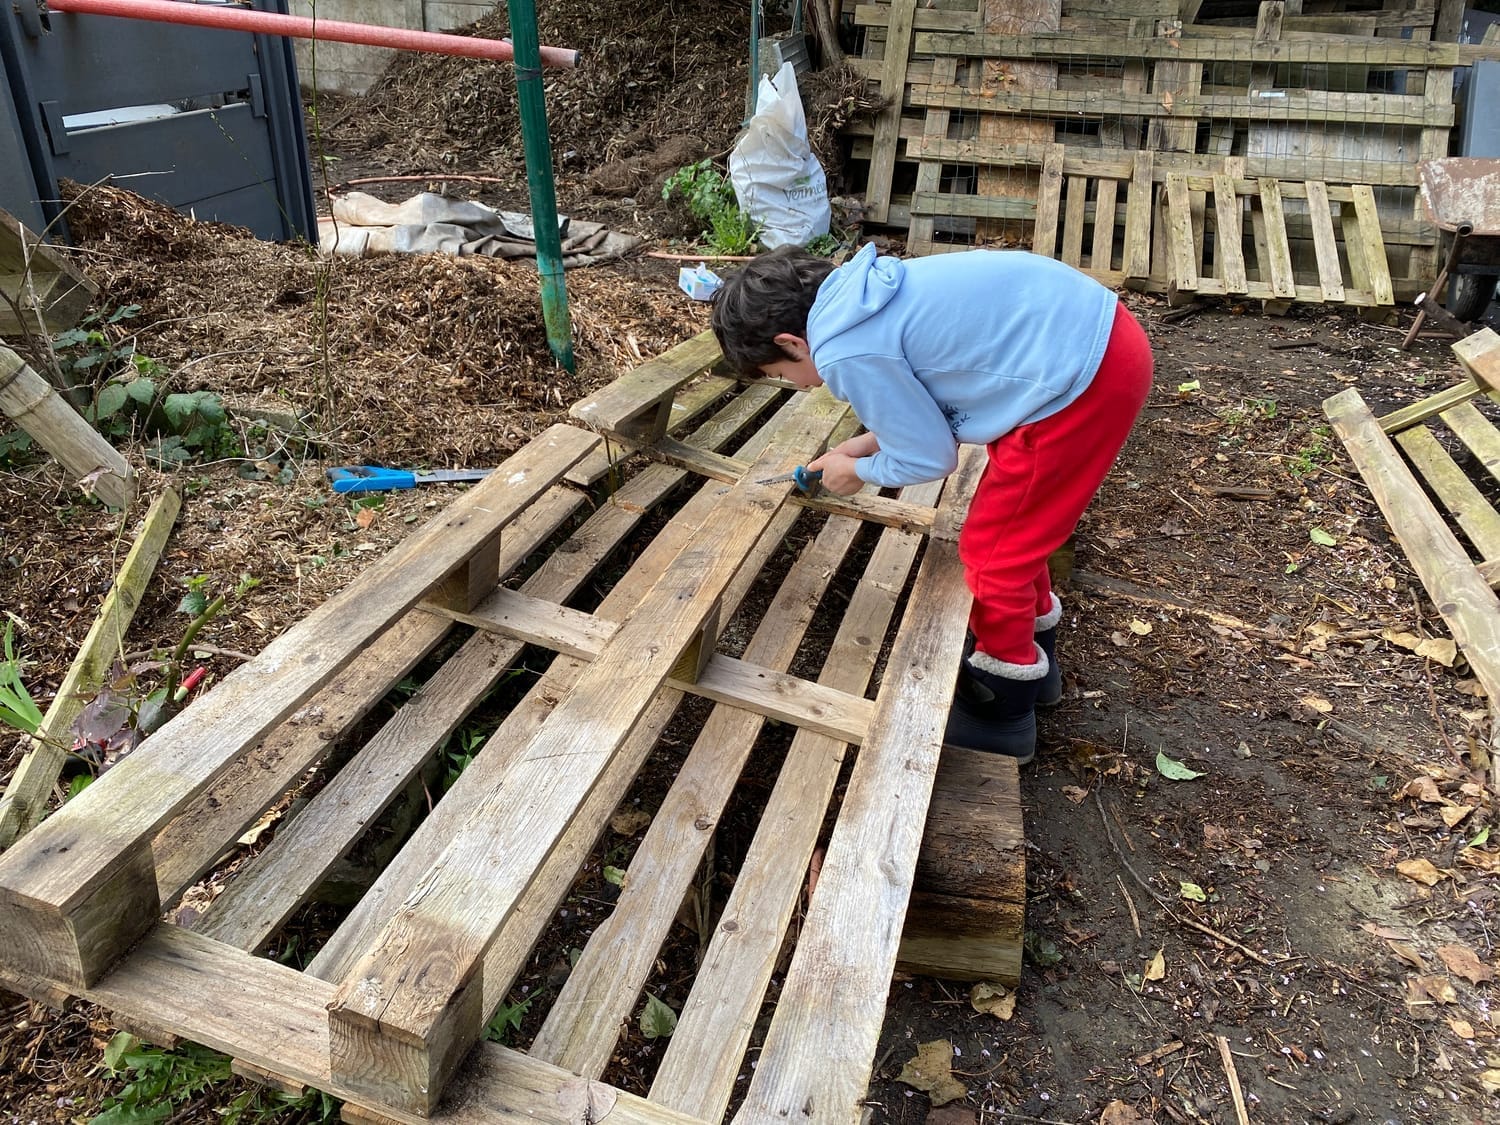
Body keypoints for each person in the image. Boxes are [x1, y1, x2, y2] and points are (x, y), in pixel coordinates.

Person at [710, 242, 1153, 764]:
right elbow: (932, 380)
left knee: (992, 557)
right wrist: (868, 442)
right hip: (1092, 342)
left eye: (780, 375)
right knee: (1018, 532)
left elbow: (930, 459)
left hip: (1076, 384)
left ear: (792, 342)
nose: (797, 386)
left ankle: (1000, 713)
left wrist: (858, 472)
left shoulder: (842, 349)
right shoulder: (862, 296)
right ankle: (1040, 671)